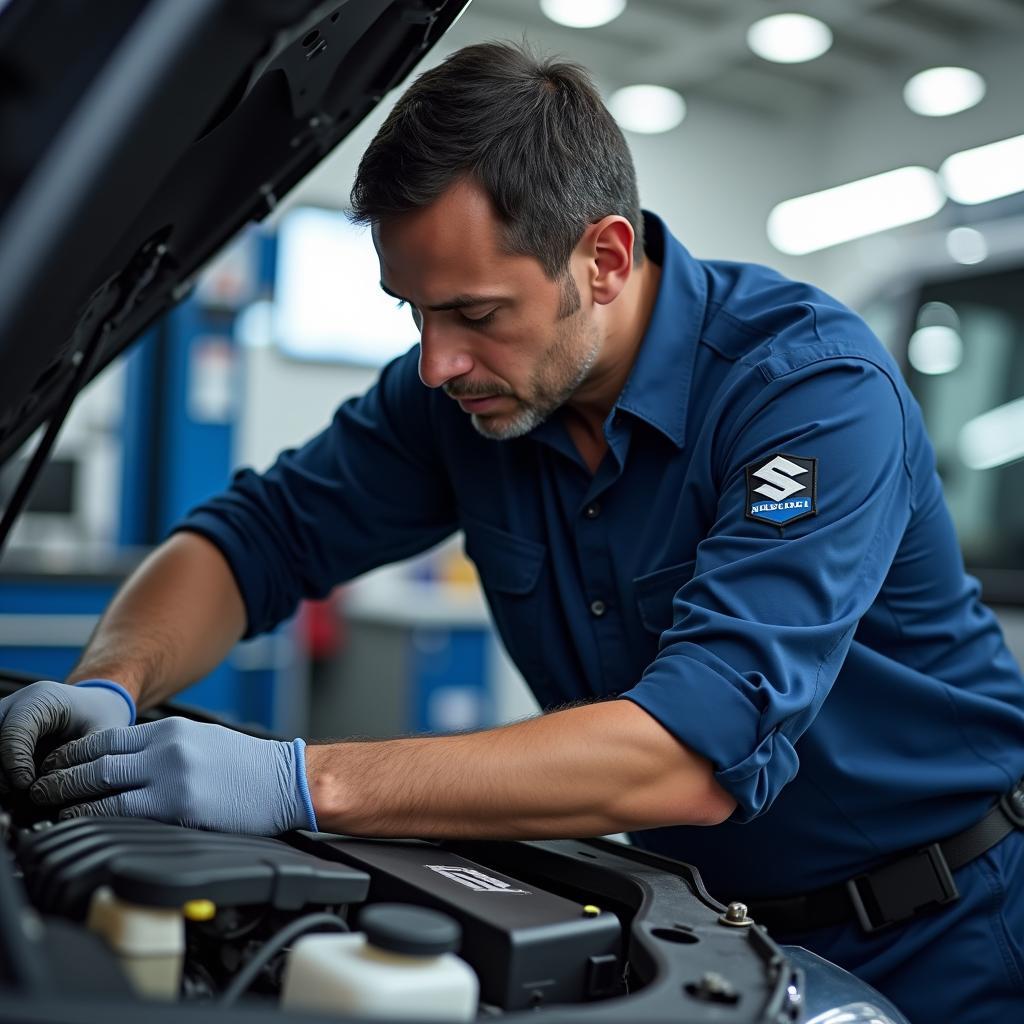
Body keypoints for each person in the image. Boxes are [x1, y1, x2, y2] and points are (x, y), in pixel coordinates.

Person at [1, 41, 1022, 1021]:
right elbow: (254, 537)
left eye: (476, 313)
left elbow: (689, 755)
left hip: (948, 926)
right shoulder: (457, 397)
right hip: (715, 931)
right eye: (412, 312)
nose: (436, 362)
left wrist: (295, 782)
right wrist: (112, 681)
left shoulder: (806, 392)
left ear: (605, 258)